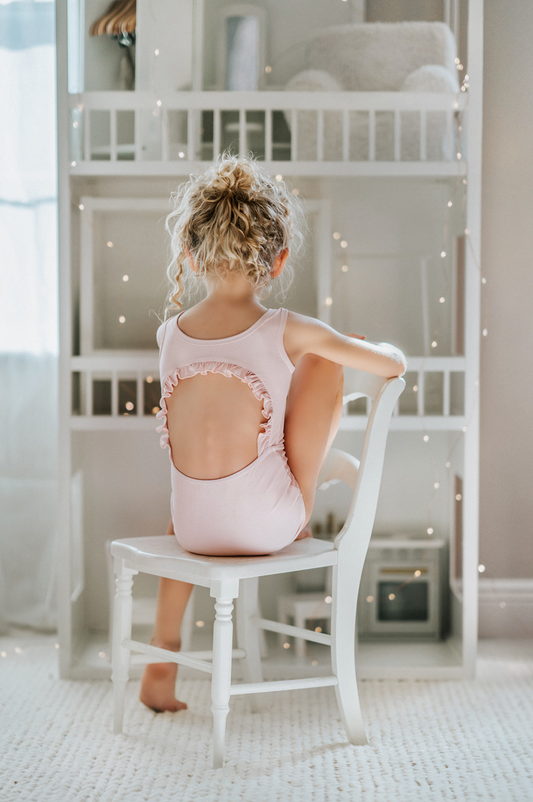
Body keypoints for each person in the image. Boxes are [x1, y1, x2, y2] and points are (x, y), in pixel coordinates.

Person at [140, 155, 406, 712]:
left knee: (191, 492)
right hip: (267, 528)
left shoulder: (170, 334)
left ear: (190, 254)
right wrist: (368, 348)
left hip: (192, 531)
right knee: (324, 358)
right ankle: (300, 510)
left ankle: (161, 663)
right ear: (278, 259)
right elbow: (388, 368)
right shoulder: (287, 328)